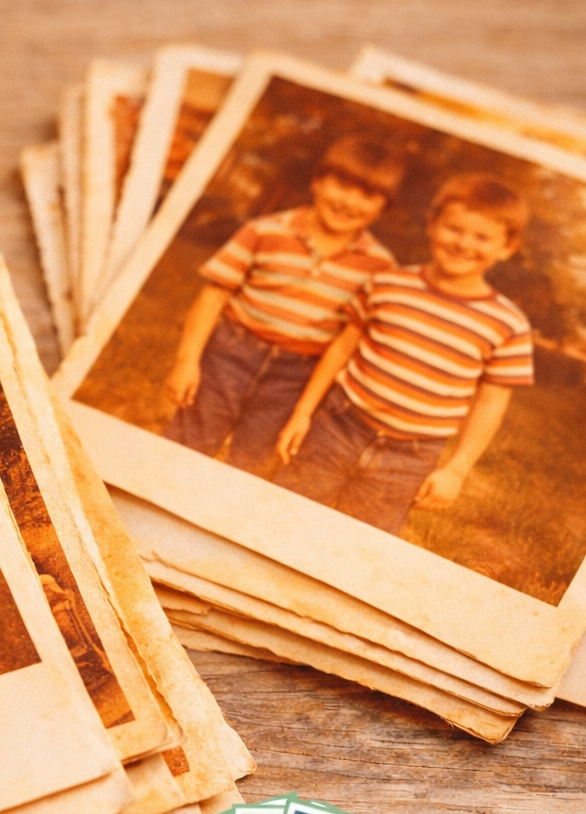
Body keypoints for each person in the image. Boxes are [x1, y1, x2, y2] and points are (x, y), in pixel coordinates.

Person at [273, 173, 533, 534]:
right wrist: (303, 413)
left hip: (411, 454)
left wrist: (456, 469)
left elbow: (491, 403)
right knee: (283, 516)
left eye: (482, 237)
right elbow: (343, 348)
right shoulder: (388, 284)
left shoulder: (508, 323)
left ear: (507, 247)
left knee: (361, 543)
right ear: (432, 225)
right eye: (454, 229)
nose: (464, 244)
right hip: (338, 426)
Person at [162, 135, 407, 475]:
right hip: (229, 357)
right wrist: (187, 361)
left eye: (367, 194)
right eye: (341, 184)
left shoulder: (379, 266)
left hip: (296, 375)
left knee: (251, 466)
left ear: (384, 207)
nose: (349, 201)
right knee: (186, 446)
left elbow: (350, 340)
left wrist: (306, 407)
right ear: (318, 180)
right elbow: (213, 296)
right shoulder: (264, 231)